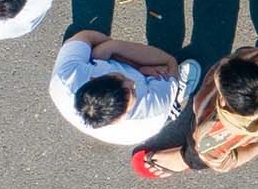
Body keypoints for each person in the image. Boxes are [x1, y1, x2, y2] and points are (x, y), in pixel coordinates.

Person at [132, 42, 258, 179]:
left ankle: (181, 160)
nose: (222, 63)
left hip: (213, 143)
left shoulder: (210, 135)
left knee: (198, 154)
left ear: (224, 101)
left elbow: (227, 162)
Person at [48, 30, 198, 149]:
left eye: (122, 79)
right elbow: (170, 66)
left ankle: (114, 53)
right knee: (168, 67)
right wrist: (152, 68)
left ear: (93, 78)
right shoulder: (151, 113)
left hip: (101, 59)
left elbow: (84, 36)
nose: (133, 82)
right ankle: (174, 96)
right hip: (156, 97)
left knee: (98, 51)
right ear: (119, 119)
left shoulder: (65, 76)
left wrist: (111, 46)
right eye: (133, 92)